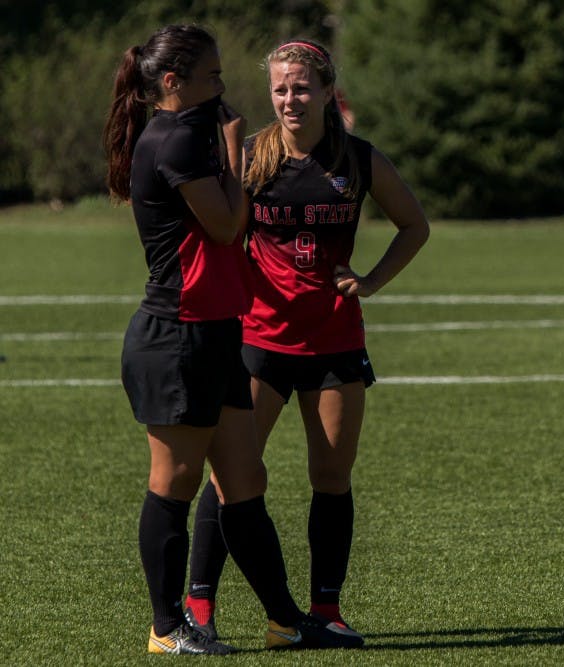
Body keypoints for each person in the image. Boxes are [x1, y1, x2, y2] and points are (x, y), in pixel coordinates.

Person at [103, 24, 364, 654]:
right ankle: (169, 629)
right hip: (177, 337)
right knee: (174, 482)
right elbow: (225, 227)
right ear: (173, 83)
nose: (224, 87)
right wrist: (234, 149)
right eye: (212, 75)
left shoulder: (185, 134)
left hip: (218, 334)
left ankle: (286, 620)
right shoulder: (173, 140)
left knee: (245, 484)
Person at [183, 38, 430, 646]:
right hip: (259, 345)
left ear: (325, 91)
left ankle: (325, 610)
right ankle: (199, 608)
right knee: (230, 480)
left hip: (335, 343)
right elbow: (214, 231)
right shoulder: (251, 157)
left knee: (331, 476)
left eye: (301, 87)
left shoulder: (359, 159)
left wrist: (369, 280)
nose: (290, 98)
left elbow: (414, 225)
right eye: (280, 88)